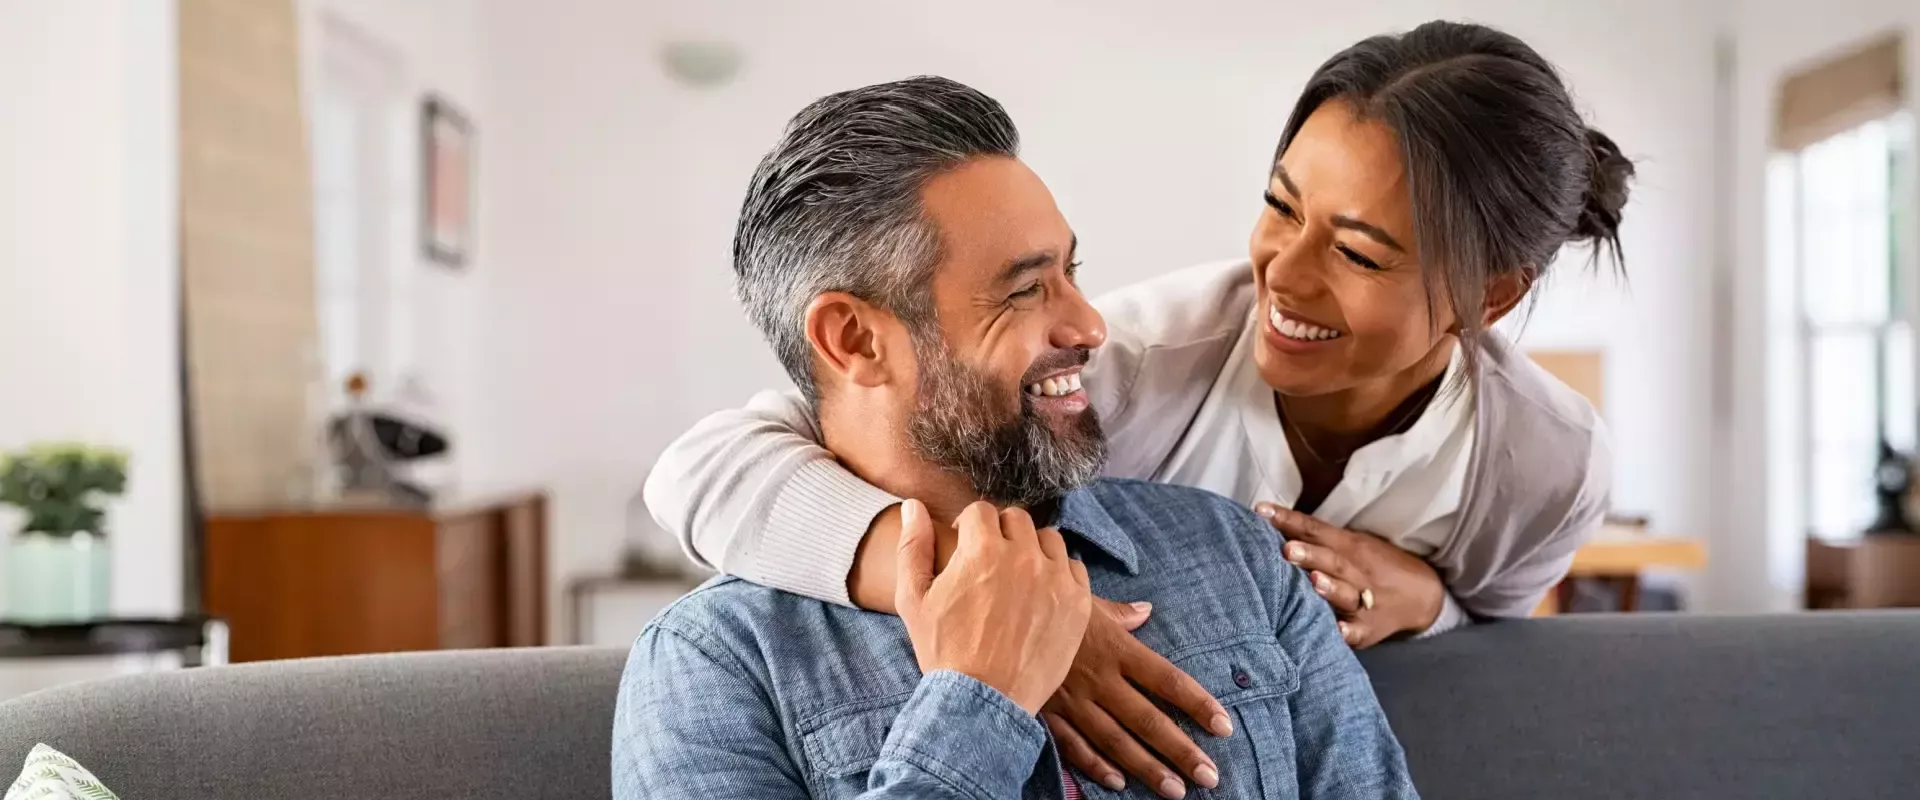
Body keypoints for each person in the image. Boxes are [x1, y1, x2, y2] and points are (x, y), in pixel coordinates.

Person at [613, 76, 1417, 800]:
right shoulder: (716, 665)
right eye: (1027, 289)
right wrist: (977, 704)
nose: (1090, 325)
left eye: (1073, 272)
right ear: (854, 340)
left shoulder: (1238, 555)